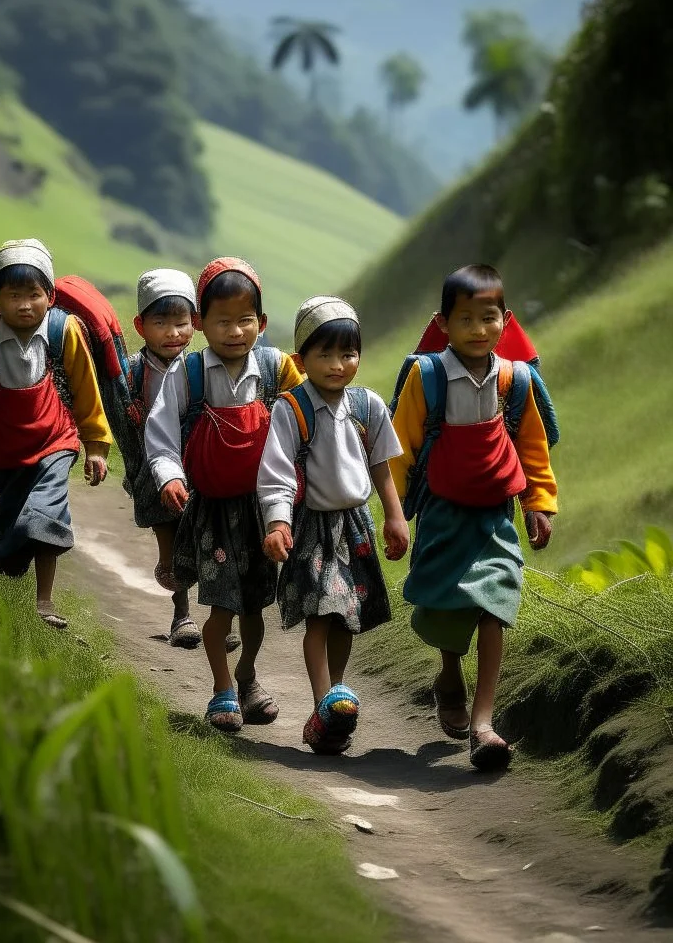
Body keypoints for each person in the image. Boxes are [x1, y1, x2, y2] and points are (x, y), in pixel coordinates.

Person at [390, 264, 557, 771]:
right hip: (441, 513)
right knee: (443, 609)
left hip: (494, 516)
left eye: (489, 318)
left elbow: (532, 447)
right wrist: (395, 515)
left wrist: (539, 503)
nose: (479, 329)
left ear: (506, 321)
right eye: (466, 319)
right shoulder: (427, 377)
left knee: (494, 605)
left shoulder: (516, 379)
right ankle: (448, 674)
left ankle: (483, 724)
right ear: (443, 323)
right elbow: (401, 449)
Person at [145, 257, 302, 732]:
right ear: (199, 323)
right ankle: (222, 688)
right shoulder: (187, 373)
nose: (235, 331)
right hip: (211, 509)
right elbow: (161, 433)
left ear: (263, 322)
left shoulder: (278, 369)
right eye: (222, 320)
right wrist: (169, 475)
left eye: (245, 320)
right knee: (222, 605)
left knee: (255, 605)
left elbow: (308, 421)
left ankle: (249, 676)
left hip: (263, 508)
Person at [0, 238, 111, 629]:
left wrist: (95, 446)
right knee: (9, 521)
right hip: (6, 443)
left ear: (50, 296)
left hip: (56, 439)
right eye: (14, 295)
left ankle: (44, 601)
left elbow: (85, 389)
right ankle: (3, 567)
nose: (25, 305)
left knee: (45, 515)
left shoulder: (64, 332)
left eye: (34, 294)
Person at [259, 296, 409, 754]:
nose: (338, 365)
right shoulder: (291, 408)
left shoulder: (367, 406)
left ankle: (337, 697)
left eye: (347, 354)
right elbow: (278, 473)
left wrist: (396, 517)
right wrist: (277, 523)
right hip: (311, 528)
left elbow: (381, 465)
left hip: (356, 526)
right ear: (301, 359)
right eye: (324, 354)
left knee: (348, 617)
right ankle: (324, 702)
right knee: (321, 614)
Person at [121, 268, 203, 649]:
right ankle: (181, 612)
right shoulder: (133, 373)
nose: (173, 333)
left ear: (196, 323)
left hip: (201, 469)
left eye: (181, 323)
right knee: (171, 545)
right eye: (161, 323)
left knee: (212, 538)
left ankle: (222, 616)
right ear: (141, 326)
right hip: (156, 474)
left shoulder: (202, 368)